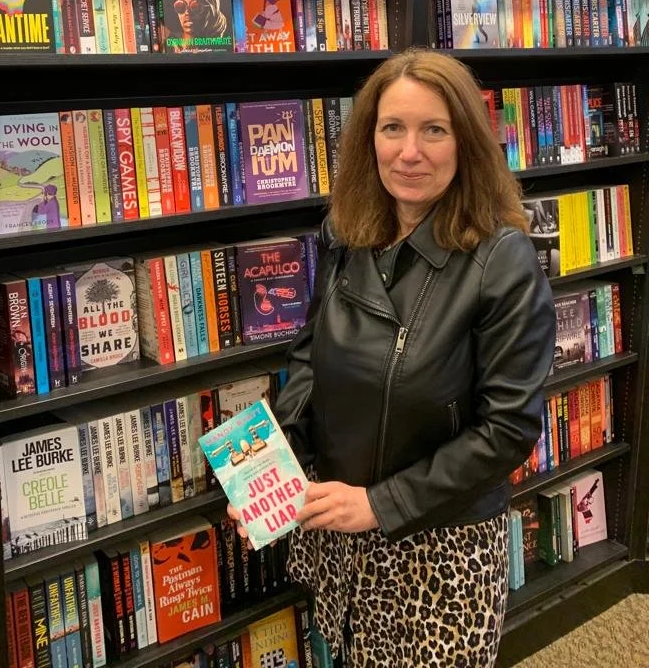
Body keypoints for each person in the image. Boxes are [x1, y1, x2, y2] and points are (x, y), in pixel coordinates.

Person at [228, 49, 556, 667]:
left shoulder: (502, 259)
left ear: (465, 142)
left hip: (436, 549)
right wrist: (268, 473)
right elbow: (307, 361)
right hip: (340, 530)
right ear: (369, 139)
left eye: (434, 129)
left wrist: (380, 505)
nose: (410, 152)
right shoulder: (347, 231)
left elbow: (508, 430)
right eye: (392, 128)